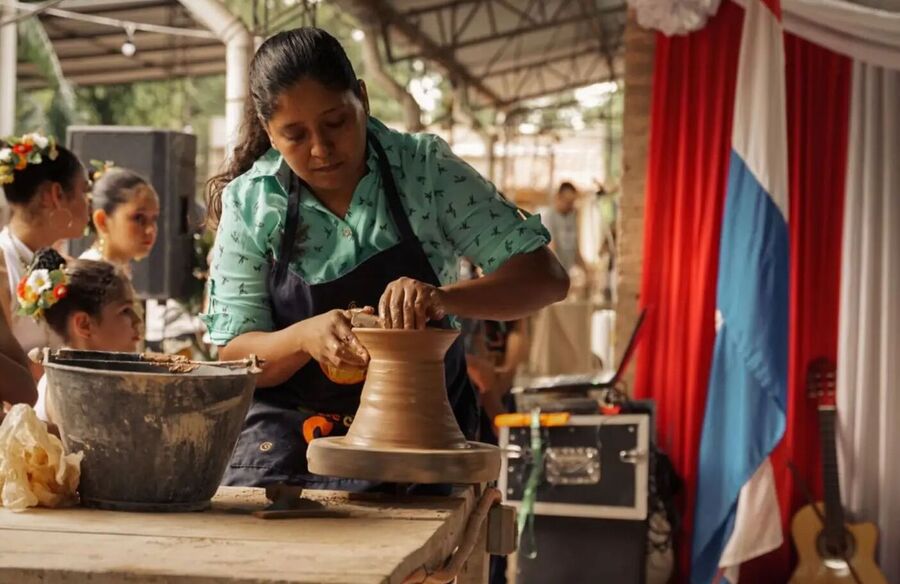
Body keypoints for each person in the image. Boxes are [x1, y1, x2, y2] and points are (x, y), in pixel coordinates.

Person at [202, 27, 569, 489]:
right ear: (270, 132)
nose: (321, 149)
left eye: (336, 122)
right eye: (295, 135)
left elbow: (546, 278)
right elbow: (233, 356)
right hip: (292, 438)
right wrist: (304, 338)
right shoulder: (254, 202)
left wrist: (443, 298)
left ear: (363, 98)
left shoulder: (425, 171)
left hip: (421, 432)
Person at [0, 133, 90, 375]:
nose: (89, 202)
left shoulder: (66, 265)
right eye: (84, 190)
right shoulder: (3, 266)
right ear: (56, 195)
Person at [16, 248, 140, 422]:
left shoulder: (90, 379)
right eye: (125, 310)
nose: (137, 321)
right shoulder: (72, 389)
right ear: (84, 324)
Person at [80, 167, 159, 276]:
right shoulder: (91, 277)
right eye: (139, 218)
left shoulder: (115, 271)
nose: (150, 230)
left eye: (154, 219)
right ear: (102, 221)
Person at [542, 181, 585, 274]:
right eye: (568, 202)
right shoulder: (549, 218)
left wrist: (586, 271)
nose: (571, 206)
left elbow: (575, 251)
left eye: (572, 202)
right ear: (558, 198)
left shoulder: (572, 218)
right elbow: (551, 250)